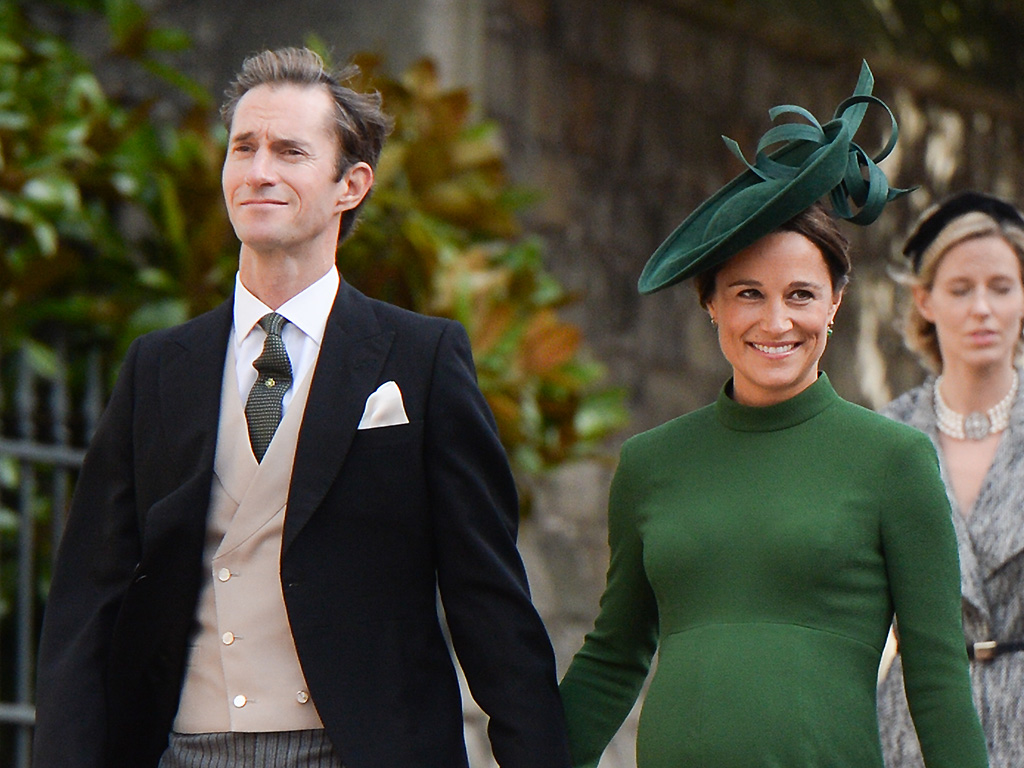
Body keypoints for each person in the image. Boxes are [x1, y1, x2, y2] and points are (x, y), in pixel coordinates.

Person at [32, 47, 571, 768]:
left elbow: (489, 599)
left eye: (289, 151)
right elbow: (86, 602)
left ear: (351, 184)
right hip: (181, 751)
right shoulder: (158, 367)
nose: (258, 172)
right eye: (243, 148)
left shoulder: (422, 360)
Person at [558, 62, 990, 768]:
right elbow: (612, 658)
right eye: (748, 293)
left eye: (800, 294)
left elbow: (937, 676)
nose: (776, 320)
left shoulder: (894, 460)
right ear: (712, 304)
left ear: (835, 304)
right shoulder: (650, 464)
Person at [876, 191, 1024, 767]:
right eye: (961, 289)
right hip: (914, 736)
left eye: (1002, 287)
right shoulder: (885, 437)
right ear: (925, 301)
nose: (981, 308)